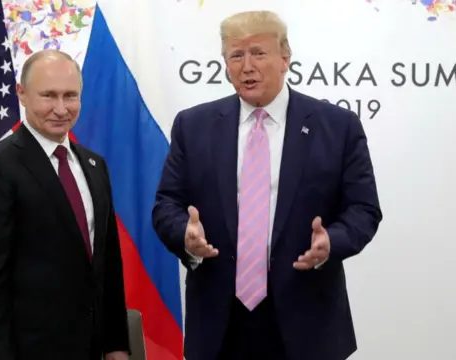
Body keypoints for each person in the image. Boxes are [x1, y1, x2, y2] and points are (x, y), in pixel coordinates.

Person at [152, 10, 382, 360]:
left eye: (258, 53)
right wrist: (185, 234)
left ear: (285, 57)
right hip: (219, 323)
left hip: (308, 321)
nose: (247, 66)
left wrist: (331, 242)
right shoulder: (193, 126)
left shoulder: (337, 127)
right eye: (236, 55)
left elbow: (364, 209)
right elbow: (166, 204)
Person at [0, 49, 130, 360]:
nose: (61, 108)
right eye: (48, 96)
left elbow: (108, 265)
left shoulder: (94, 164)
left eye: (70, 96)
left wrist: (116, 344)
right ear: (22, 95)